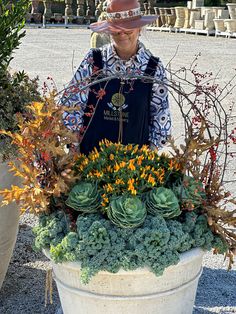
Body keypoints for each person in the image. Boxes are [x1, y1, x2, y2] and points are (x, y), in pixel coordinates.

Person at [61, 0, 171, 155]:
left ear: (139, 28)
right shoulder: (94, 61)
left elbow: (161, 119)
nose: (122, 33)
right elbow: (70, 106)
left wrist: (148, 160)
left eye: (128, 28)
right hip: (89, 163)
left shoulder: (153, 68)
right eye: (116, 29)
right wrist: (74, 150)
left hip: (133, 170)